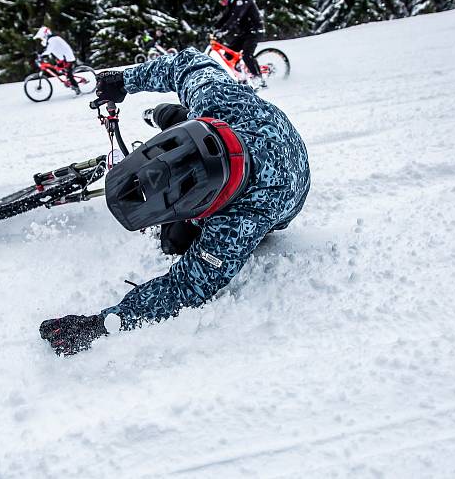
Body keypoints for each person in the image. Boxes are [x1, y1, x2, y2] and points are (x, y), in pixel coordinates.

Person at [39, 48, 310, 356]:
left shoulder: (241, 220)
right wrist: (125, 81)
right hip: (243, 120)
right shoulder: (216, 97)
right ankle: (169, 120)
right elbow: (186, 63)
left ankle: (174, 129)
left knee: (174, 241)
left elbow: (186, 287)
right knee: (169, 114)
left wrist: (101, 324)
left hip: (292, 188)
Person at [212, 0, 265, 87]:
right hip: (244, 32)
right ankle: (241, 78)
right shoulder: (233, 1)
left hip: (254, 31)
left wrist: (223, 30)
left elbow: (235, 17)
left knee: (247, 55)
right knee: (229, 54)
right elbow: (226, 16)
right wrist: (215, 28)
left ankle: (259, 80)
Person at [33, 26, 81, 95]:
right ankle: (68, 81)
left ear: (45, 35)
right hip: (63, 58)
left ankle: (76, 88)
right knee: (60, 69)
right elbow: (46, 47)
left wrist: (42, 55)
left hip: (68, 58)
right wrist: (40, 54)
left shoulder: (53, 39)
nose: (41, 39)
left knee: (68, 73)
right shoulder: (50, 40)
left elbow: (49, 50)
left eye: (42, 37)